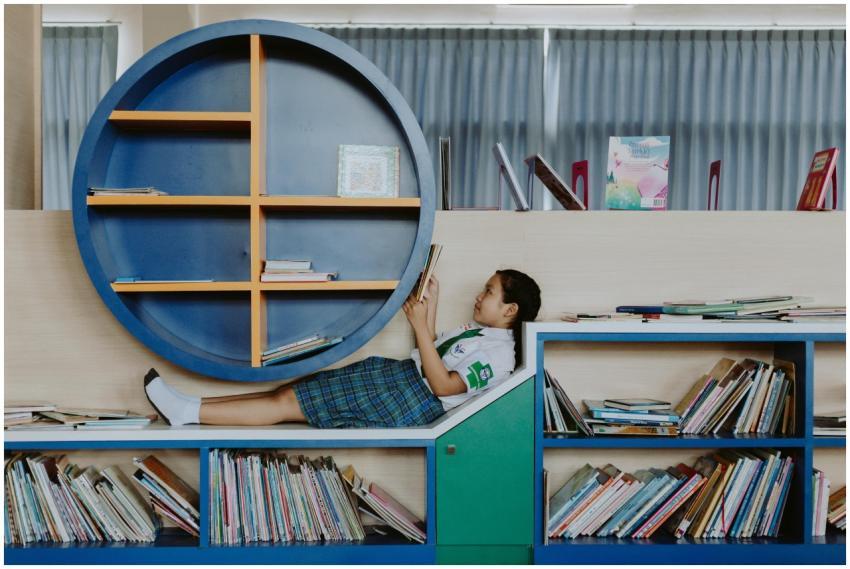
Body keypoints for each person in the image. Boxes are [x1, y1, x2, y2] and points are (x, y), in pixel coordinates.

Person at [143, 269, 541, 428]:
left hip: (411, 396)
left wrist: (420, 325)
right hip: (400, 379)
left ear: (510, 310)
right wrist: (428, 310)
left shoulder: (499, 356)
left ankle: (189, 413)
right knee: (292, 392)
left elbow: (443, 385)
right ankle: (191, 406)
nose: (479, 296)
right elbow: (434, 357)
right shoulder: (481, 334)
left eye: (489, 292)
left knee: (291, 402)